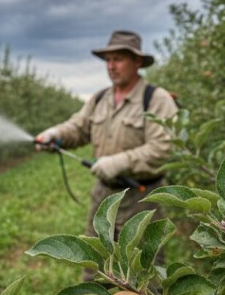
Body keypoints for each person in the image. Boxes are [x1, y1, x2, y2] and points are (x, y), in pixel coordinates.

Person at [35, 30, 179, 254]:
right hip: (103, 196)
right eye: (108, 60)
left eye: (118, 59)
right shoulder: (99, 98)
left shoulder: (156, 99)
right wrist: (57, 134)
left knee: (141, 270)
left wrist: (119, 162)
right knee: (96, 262)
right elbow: (79, 128)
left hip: (140, 199)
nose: (111, 66)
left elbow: (164, 147)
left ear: (137, 62)